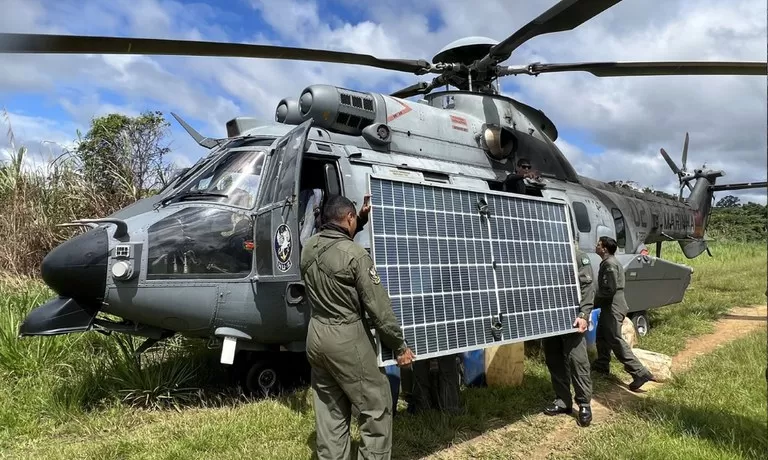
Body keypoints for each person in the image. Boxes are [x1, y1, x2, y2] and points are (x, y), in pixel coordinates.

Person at [300, 194, 416, 460]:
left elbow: (334, 246)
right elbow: (379, 308)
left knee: (330, 410)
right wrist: (399, 346)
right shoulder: (356, 256)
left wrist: (361, 217)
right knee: (376, 405)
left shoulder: (308, 247)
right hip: (346, 337)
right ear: (348, 218)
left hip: (316, 335)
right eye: (354, 219)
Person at [592, 236, 656, 392]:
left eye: (599, 245)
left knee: (614, 339)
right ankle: (602, 365)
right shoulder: (611, 262)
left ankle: (640, 372)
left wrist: (593, 301)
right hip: (612, 304)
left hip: (613, 305)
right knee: (601, 335)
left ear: (605, 248)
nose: (596, 246)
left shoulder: (609, 265)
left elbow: (610, 289)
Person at [541, 242, 595, 426]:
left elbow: (588, 287)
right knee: (553, 359)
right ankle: (563, 400)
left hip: (572, 318)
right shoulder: (542, 254)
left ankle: (584, 404)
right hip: (549, 318)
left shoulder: (578, 256)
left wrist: (584, 314)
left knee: (577, 360)